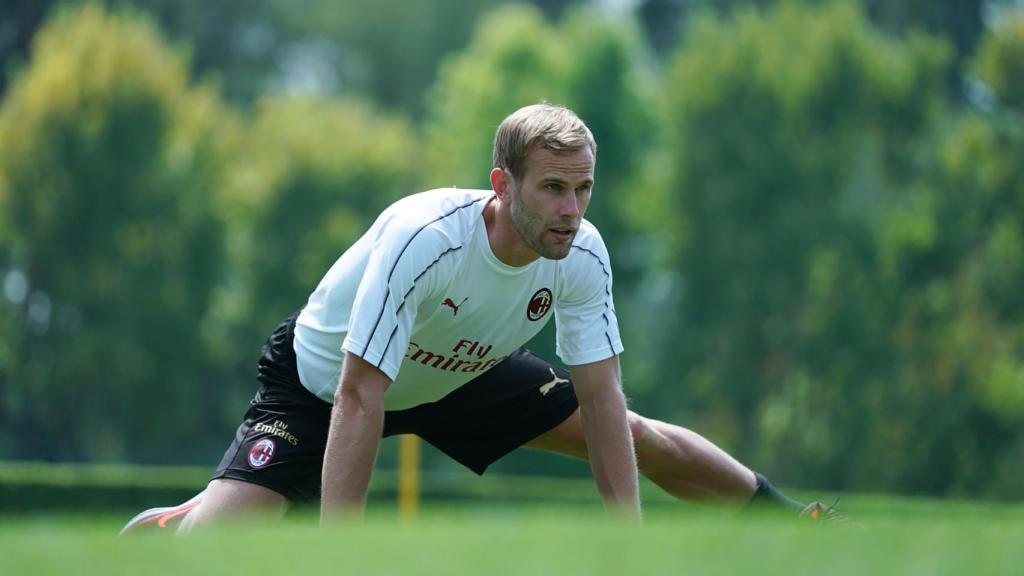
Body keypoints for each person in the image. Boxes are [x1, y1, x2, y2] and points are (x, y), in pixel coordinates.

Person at [121, 103, 842, 533]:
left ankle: (793, 524)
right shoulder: (425, 238)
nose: (571, 209)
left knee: (632, 433)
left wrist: (629, 549)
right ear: (503, 184)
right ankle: (190, 517)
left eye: (583, 189)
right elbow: (359, 395)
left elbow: (600, 400)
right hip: (323, 387)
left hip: (460, 373)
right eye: (553, 188)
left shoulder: (583, 253)